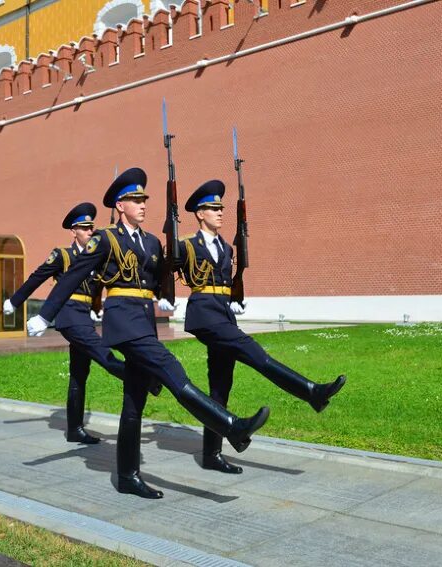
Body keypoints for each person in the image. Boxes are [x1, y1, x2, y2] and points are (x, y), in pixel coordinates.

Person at [26, 167, 270, 499]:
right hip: (124, 324)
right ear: (120, 205)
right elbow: (74, 275)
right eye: (135, 199)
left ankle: (127, 476)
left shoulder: (153, 241)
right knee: (172, 371)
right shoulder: (106, 239)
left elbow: (158, 278)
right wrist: (46, 314)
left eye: (143, 199)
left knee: (134, 402)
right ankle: (231, 426)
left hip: (144, 324)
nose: (143, 204)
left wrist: (166, 297)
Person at [179, 180, 347, 474]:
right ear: (199, 214)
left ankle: (211, 454)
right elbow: (161, 267)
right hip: (204, 315)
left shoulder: (225, 248)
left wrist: (235, 298)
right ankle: (311, 392)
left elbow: (228, 281)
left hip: (223, 314)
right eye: (213, 208)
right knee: (254, 353)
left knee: (220, 385)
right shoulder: (186, 245)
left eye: (221, 208)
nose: (220, 212)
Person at [4, 202, 155, 444]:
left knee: (79, 374)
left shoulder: (97, 257)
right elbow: (38, 276)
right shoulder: (63, 256)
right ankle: (145, 379)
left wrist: (97, 308)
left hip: (84, 315)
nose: (89, 232)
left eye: (91, 228)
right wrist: (15, 300)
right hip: (68, 315)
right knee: (103, 353)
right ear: (73, 231)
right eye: (84, 229)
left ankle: (74, 429)